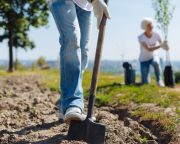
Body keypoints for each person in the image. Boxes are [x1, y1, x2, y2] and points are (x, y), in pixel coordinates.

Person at [47, 0, 110, 122]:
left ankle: (65, 103)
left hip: (86, 5)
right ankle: (72, 103)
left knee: (83, 52)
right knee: (72, 40)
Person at [138, 18, 169, 86]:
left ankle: (159, 81)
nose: (151, 26)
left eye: (151, 25)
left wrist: (166, 46)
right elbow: (149, 49)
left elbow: (162, 44)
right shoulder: (141, 37)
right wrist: (161, 46)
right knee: (145, 83)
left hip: (153, 56)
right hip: (144, 59)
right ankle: (146, 78)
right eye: (148, 25)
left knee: (156, 63)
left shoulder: (156, 35)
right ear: (144, 27)